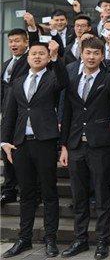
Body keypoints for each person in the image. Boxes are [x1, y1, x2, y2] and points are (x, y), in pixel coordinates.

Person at [1, 40, 68, 258]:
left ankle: (50, 238)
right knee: (26, 193)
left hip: (45, 141)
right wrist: (4, 142)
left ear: (48, 58)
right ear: (28, 58)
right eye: (34, 54)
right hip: (21, 143)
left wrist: (56, 57)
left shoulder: (53, 78)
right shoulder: (18, 82)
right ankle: (24, 239)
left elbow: (64, 81)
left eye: (42, 54)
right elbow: (10, 115)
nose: (37, 56)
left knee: (49, 192)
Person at [59, 35, 110, 259]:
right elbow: (67, 115)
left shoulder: (108, 78)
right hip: (76, 145)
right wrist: (64, 146)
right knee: (79, 197)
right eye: (88, 53)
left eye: (96, 53)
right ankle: (80, 239)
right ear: (81, 54)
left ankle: (103, 241)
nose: (92, 57)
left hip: (99, 145)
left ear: (101, 56)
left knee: (102, 196)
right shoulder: (72, 80)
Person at [1, 29, 31, 207]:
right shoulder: (6, 64)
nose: (13, 44)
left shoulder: (30, 60)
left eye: (17, 41)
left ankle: (28, 191)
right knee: (6, 150)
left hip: (23, 115)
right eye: (11, 41)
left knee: (22, 153)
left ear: (26, 42)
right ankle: (9, 190)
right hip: (7, 115)